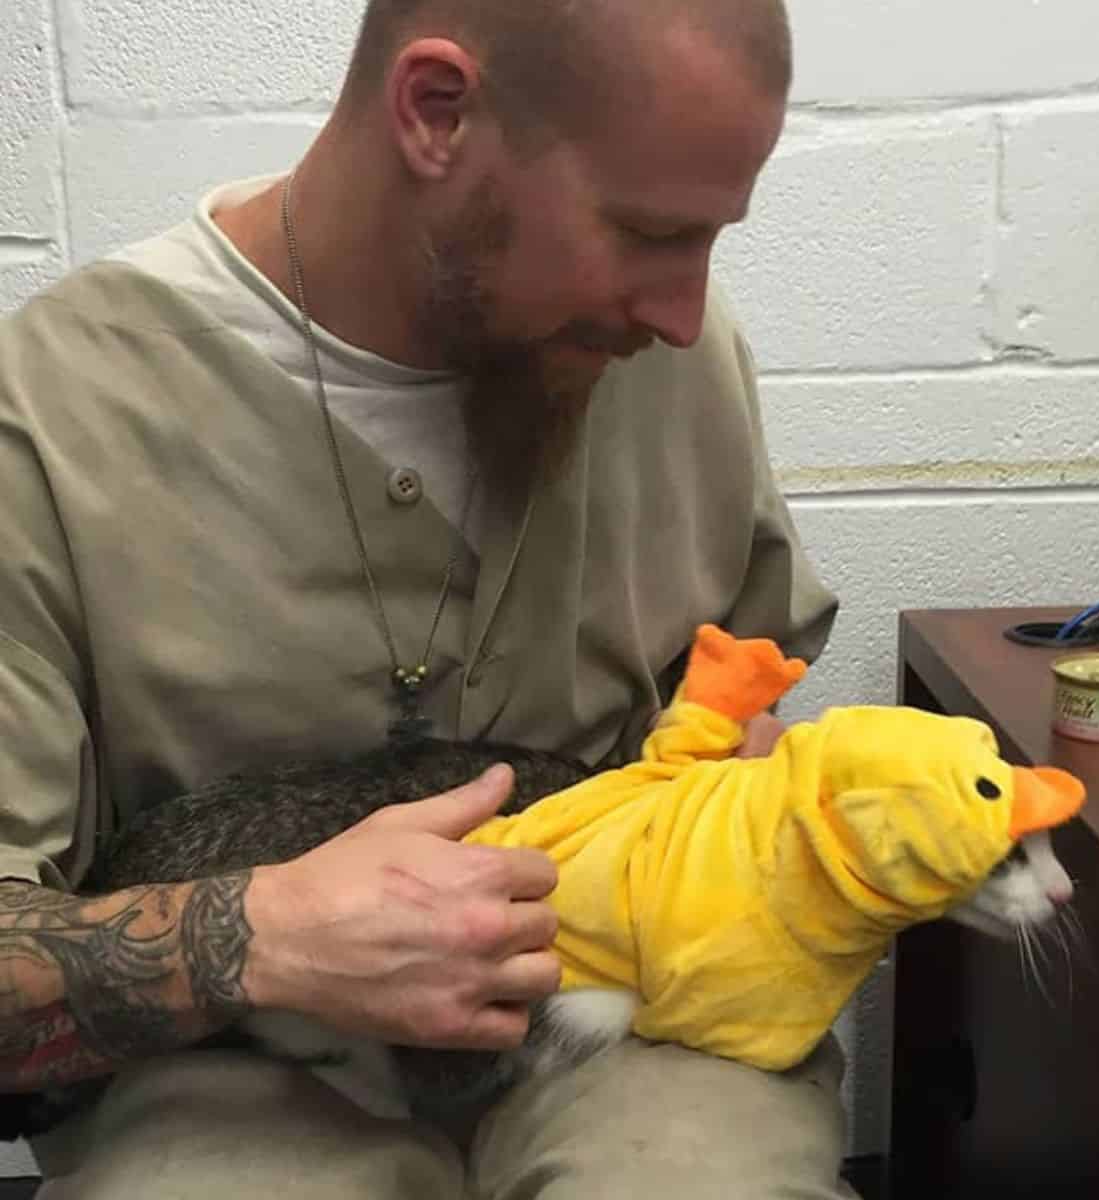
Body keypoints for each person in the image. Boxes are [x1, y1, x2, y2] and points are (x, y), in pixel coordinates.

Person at [0, 0, 849, 1195]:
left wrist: (765, 804)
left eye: (710, 239)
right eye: (646, 229)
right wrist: (263, 942)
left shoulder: (665, 359)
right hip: (230, 1065)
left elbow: (749, 724)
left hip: (626, 1020)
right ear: (435, 111)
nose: (684, 312)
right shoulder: (55, 412)